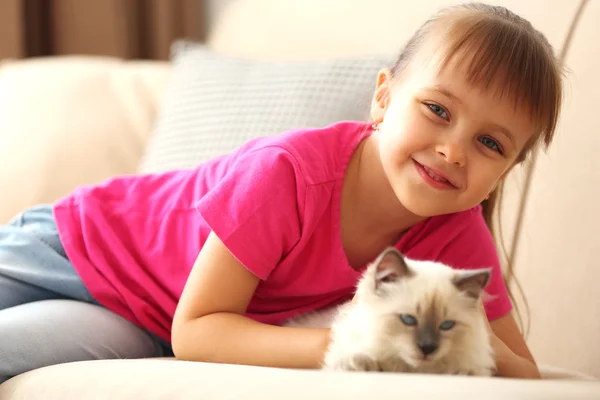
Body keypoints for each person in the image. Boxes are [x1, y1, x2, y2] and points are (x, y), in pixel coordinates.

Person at [0, 2, 562, 384]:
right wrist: (363, 346)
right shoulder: (290, 173)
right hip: (75, 248)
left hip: (145, 319)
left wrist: (454, 349)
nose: (454, 151)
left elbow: (523, 372)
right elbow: (200, 329)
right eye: (437, 110)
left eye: (490, 143)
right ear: (384, 99)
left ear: (507, 170)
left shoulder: (453, 235)